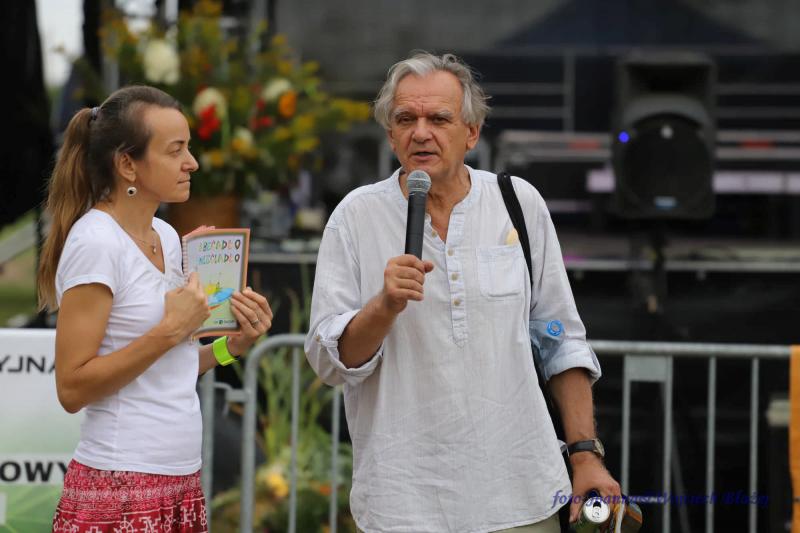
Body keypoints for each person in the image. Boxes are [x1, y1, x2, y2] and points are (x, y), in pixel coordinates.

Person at [305, 52, 620, 532]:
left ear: (471, 133)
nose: (420, 133)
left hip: (522, 496)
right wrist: (384, 307)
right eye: (405, 119)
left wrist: (585, 455)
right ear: (390, 134)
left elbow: (560, 339)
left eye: (438, 119)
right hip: (403, 504)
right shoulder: (354, 217)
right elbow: (330, 363)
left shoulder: (518, 203)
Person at [38, 85, 273, 532]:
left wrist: (232, 347)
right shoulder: (96, 243)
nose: (192, 163)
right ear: (127, 164)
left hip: (179, 481)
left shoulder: (165, 236)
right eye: (175, 150)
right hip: (119, 487)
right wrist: (169, 331)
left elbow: (170, 368)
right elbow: (71, 387)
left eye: (189, 147)